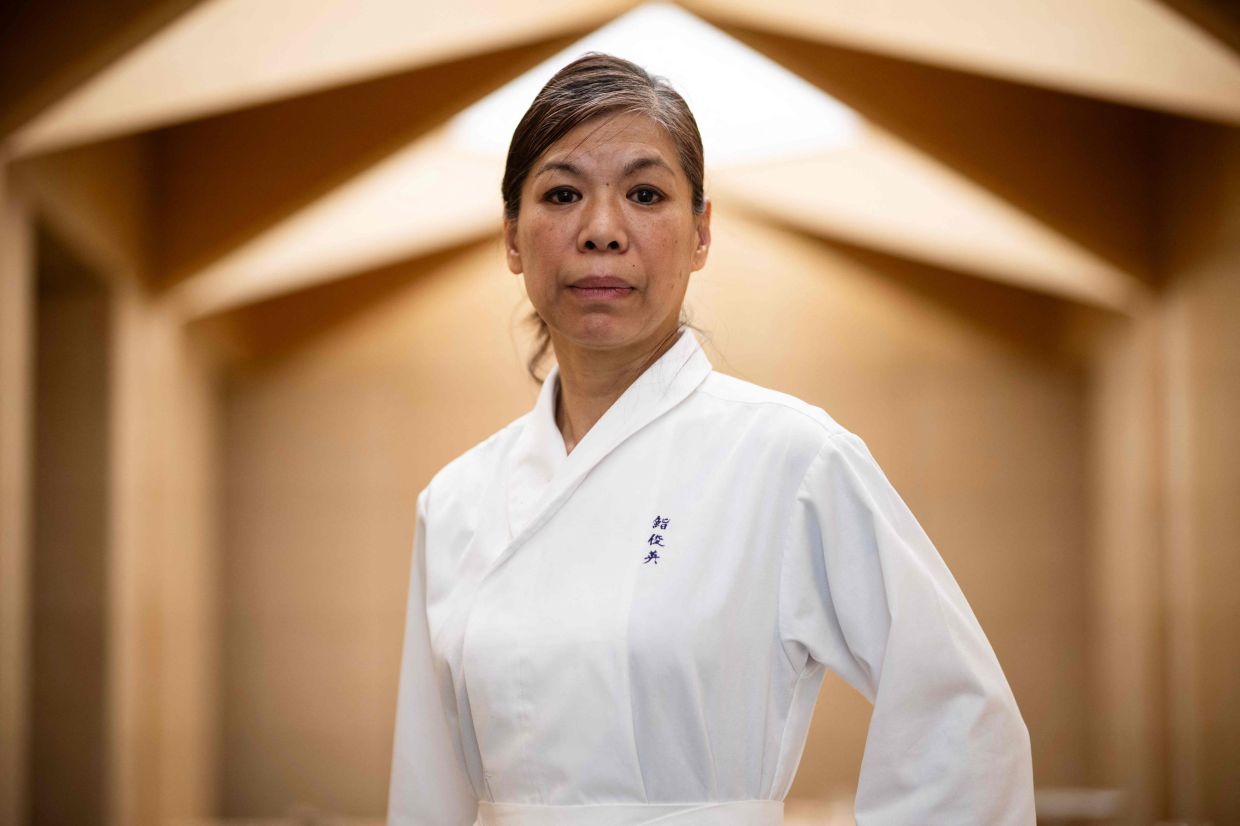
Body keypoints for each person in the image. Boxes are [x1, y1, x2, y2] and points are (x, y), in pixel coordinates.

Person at [387, 52, 1035, 826]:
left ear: (700, 234)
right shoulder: (456, 501)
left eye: (645, 194)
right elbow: (427, 788)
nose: (602, 231)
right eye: (562, 194)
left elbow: (961, 722)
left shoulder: (791, 459)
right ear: (513, 239)